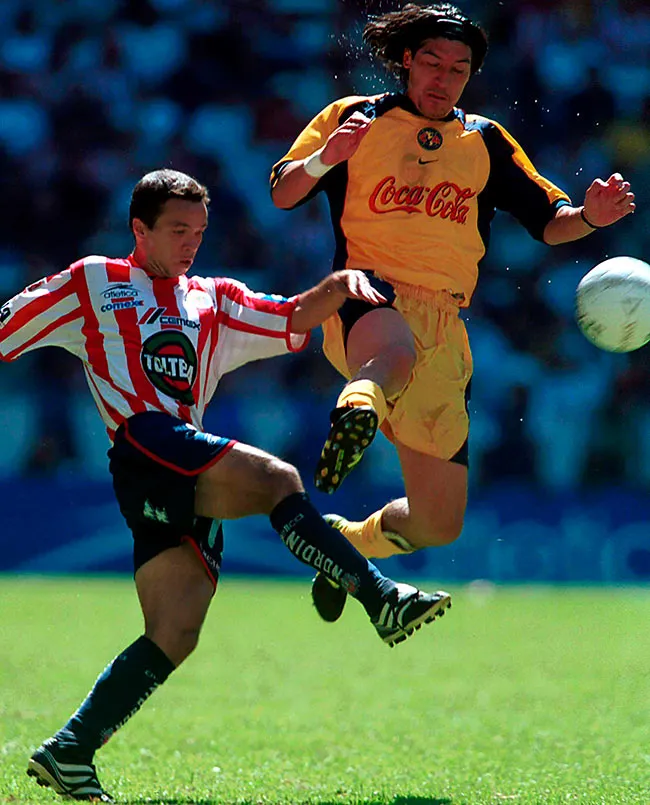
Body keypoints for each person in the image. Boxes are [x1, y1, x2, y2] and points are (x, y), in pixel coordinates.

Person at [0, 169, 452, 803]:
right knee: (278, 479)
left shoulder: (212, 298)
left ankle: (70, 750)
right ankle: (379, 596)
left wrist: (342, 286)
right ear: (140, 229)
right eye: (177, 230)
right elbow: (6, 330)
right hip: (144, 445)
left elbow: (293, 316)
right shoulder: (92, 282)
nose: (191, 243)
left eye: (200, 231)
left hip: (181, 461)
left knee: (175, 631)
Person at [270, 3, 635, 621]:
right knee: (393, 354)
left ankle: (341, 542)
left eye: (458, 69)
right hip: (364, 291)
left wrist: (591, 218)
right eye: (432, 62)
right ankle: (356, 411)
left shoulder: (486, 141)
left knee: (439, 524)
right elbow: (283, 191)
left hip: (446, 323)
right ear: (407, 62)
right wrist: (327, 157)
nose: (442, 77)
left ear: (470, 77)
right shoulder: (352, 118)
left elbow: (550, 222)